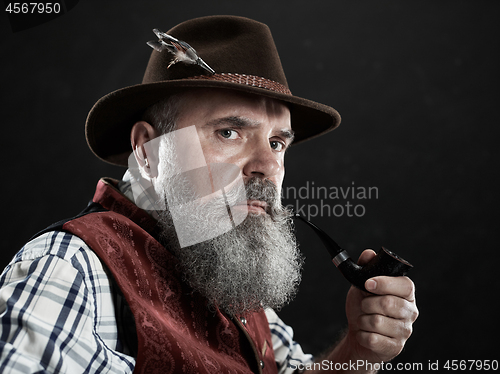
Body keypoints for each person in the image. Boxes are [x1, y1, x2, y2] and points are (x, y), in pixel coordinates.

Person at [0, 15, 418, 374]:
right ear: (147, 151)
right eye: (229, 132)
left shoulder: (229, 278)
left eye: (277, 143)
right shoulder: (69, 271)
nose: (268, 167)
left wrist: (357, 354)